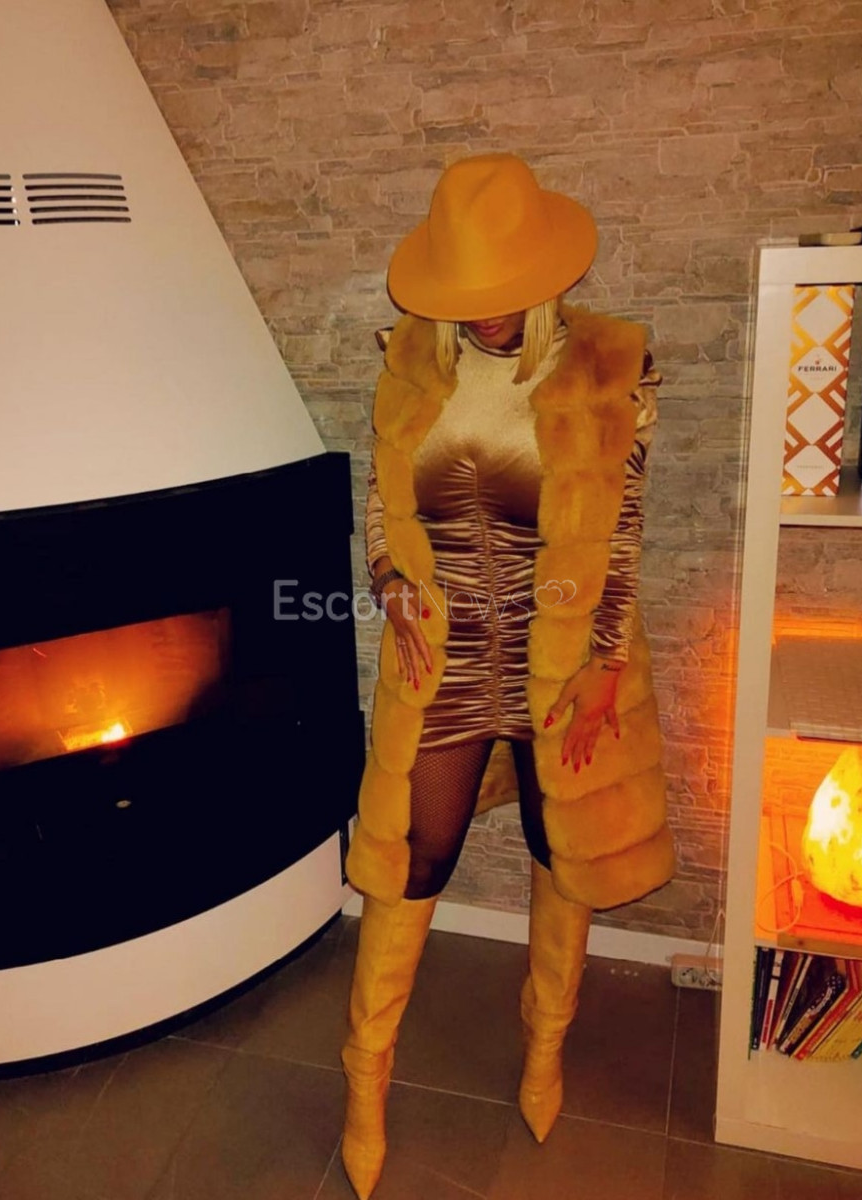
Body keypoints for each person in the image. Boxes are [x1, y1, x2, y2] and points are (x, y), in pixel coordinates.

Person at [341, 153, 675, 1200]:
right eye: (468, 293)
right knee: (412, 860)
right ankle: (363, 1082)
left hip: (563, 659)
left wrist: (604, 666)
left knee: (556, 847)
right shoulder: (411, 363)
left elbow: (620, 531)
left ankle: (544, 1049)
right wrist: (391, 581)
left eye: (504, 292)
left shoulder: (611, 366)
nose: (486, 313)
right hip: (442, 658)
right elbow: (384, 504)